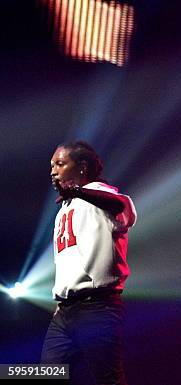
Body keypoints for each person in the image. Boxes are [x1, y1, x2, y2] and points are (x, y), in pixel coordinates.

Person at [41, 141, 137, 385]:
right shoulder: (64, 209)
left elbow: (121, 205)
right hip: (64, 312)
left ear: (82, 167)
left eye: (60, 164)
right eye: (52, 165)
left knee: (108, 380)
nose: (53, 170)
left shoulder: (103, 196)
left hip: (97, 308)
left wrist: (79, 192)